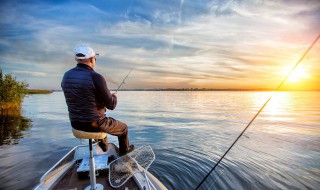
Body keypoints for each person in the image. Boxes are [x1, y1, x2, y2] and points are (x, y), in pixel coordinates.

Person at [61, 45, 134, 156]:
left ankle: (103, 143)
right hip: (94, 124)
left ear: (77, 59)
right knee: (123, 128)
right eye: (95, 58)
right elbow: (111, 105)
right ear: (91, 59)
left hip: (75, 124)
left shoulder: (66, 76)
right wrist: (114, 97)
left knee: (101, 119)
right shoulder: (96, 77)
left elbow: (82, 97)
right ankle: (124, 155)